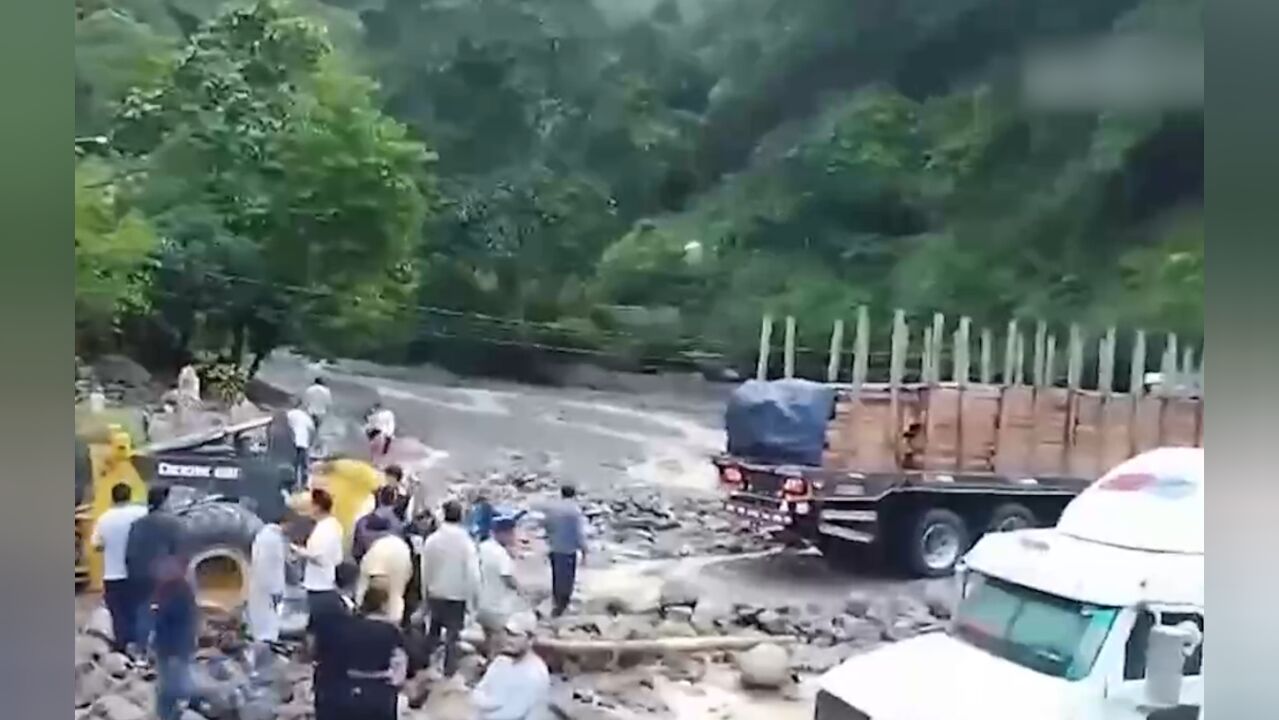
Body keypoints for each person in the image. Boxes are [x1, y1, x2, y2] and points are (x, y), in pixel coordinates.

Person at [418, 499, 480, 677]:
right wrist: (474, 600)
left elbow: (425, 569)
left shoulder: (432, 540)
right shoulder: (466, 543)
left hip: (435, 592)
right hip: (457, 595)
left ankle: (423, 664)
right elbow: (473, 573)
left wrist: (425, 595)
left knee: (433, 631)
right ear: (461, 516)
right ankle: (448, 672)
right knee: (453, 636)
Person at [125, 485, 184, 658]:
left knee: (143, 611)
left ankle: (141, 649)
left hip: (138, 575)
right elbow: (179, 552)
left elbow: (129, 553)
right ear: (164, 501)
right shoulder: (174, 524)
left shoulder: (137, 524)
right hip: (163, 576)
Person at [336, 586, 408, 720]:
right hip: (380, 691)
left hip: (349, 690)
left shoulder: (348, 628)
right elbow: (400, 665)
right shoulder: (391, 631)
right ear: (383, 605)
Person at [91, 482, 147, 652]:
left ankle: (123, 650)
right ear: (130, 495)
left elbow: (96, 545)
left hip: (113, 575)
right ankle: (141, 647)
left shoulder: (104, 518)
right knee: (140, 610)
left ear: (112, 497)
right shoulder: (141, 514)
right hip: (138, 573)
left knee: (119, 614)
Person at [471, 612, 551, 720]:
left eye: (515, 635)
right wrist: (492, 703)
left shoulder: (535, 673)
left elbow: (511, 714)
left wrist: (488, 704)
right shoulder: (501, 661)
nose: (509, 640)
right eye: (507, 633)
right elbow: (477, 693)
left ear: (530, 640)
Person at [152, 556, 198, 720]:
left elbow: (165, 621)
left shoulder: (173, 592)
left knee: (170, 688)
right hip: (176, 648)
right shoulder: (181, 590)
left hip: (171, 649)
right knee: (174, 686)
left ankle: (169, 714)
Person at [293, 488, 345, 626]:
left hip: (319, 585)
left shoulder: (325, 529)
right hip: (323, 582)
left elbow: (318, 556)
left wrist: (298, 551)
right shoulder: (331, 524)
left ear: (317, 507)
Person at [476, 515, 521, 658]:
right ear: (503, 534)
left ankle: (485, 661)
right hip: (497, 607)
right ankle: (492, 666)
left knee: (488, 636)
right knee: (499, 642)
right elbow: (508, 578)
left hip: (479, 603)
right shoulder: (501, 554)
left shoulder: (482, 547)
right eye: (512, 533)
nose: (514, 537)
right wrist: (520, 589)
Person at [247, 514, 288, 670]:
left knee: (259, 627)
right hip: (268, 589)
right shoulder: (273, 539)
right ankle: (264, 665)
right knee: (267, 628)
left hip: (258, 586)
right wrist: (277, 590)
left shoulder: (262, 535)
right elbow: (274, 567)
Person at [358, 513, 414, 625]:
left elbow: (367, 578)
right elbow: (408, 574)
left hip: (372, 614)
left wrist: (358, 603)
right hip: (395, 607)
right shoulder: (401, 544)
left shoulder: (376, 547)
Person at [540, 484, 587, 617]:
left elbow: (546, 525)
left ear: (561, 494)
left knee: (557, 576)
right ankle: (561, 607)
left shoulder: (553, 509)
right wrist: (584, 550)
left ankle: (556, 602)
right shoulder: (575, 511)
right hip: (569, 550)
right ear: (574, 495)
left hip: (555, 548)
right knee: (567, 578)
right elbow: (578, 533)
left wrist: (550, 538)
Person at [352, 485, 405, 562]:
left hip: (367, 566)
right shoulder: (398, 527)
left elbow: (356, 553)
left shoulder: (361, 523)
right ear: (395, 501)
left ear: (379, 498)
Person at [286, 404, 316, 489]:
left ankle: (297, 483)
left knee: (297, 464)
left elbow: (288, 427)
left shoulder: (292, 414)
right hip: (304, 444)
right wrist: (310, 445)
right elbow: (312, 435)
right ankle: (306, 483)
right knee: (304, 464)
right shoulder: (309, 421)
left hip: (295, 442)